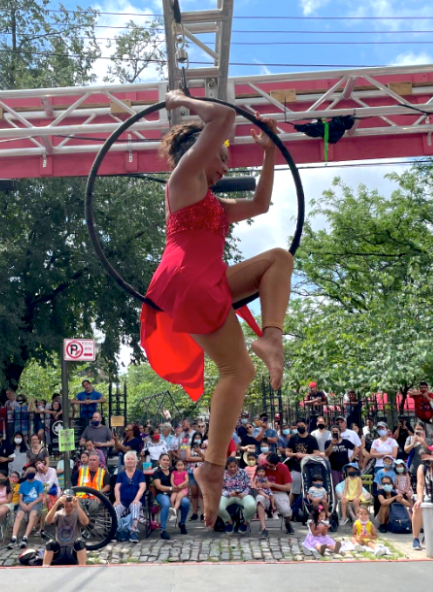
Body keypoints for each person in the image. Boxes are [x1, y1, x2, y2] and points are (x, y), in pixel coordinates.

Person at [139, 92, 291, 528]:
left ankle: (271, 336)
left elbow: (261, 204)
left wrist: (268, 153)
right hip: (187, 281)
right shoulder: (183, 182)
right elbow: (222, 116)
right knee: (237, 371)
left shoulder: (216, 207)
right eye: (221, 158)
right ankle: (212, 467)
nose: (225, 167)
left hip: (208, 279)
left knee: (279, 258)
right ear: (198, 153)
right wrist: (178, 98)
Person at [43, 491, 89, 566]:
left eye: (70, 500)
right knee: (50, 543)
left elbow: (86, 522)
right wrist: (57, 503)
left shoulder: (77, 513)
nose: (68, 504)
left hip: (72, 551)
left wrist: (77, 506)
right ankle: (44, 567)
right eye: (66, 501)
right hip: (59, 551)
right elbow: (47, 520)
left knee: (80, 542)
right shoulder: (59, 514)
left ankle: (82, 566)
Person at [152, 453, 190, 539]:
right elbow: (159, 487)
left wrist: (182, 486)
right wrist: (171, 488)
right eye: (164, 460)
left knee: (186, 502)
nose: (166, 462)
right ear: (159, 461)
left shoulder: (174, 470)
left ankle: (182, 523)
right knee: (166, 504)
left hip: (176, 493)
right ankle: (163, 529)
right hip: (161, 494)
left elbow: (184, 480)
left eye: (167, 460)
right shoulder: (157, 472)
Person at [113, 451, 147, 543]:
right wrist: (118, 500)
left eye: (132, 459)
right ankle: (120, 530)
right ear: (125, 461)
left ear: (135, 461)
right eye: (128, 459)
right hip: (123, 501)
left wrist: (136, 499)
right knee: (116, 507)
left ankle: (133, 531)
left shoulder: (139, 473)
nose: (130, 461)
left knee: (135, 505)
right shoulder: (121, 474)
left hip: (136, 500)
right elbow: (117, 488)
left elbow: (142, 487)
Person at [285, 419, 321, 502]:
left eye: (302, 426)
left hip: (309, 468)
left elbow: (317, 453)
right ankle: (289, 511)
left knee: (309, 491)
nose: (300, 428)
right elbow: (287, 452)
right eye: (298, 426)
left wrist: (305, 456)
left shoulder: (312, 439)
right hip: (296, 468)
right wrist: (295, 454)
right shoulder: (293, 438)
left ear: (306, 426)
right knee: (293, 491)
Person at [9, 466, 45, 548]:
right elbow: (20, 499)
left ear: (35, 473)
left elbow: (40, 497)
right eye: (29, 471)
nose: (30, 472)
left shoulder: (38, 483)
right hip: (24, 503)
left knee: (32, 515)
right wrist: (22, 504)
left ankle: (25, 537)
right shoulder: (22, 485)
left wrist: (31, 504)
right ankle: (13, 538)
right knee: (19, 516)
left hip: (35, 503)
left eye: (32, 471)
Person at [218, 456, 256, 533]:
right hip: (229, 494)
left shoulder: (243, 472)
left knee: (252, 505)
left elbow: (248, 486)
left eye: (234, 466)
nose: (233, 469)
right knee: (218, 506)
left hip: (242, 494)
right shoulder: (223, 474)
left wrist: (244, 493)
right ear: (227, 466)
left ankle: (245, 523)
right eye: (230, 467)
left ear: (237, 465)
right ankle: (229, 522)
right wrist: (228, 493)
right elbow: (220, 488)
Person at [251, 465, 274, 539]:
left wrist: (266, 485)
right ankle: (264, 528)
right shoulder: (256, 478)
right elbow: (253, 484)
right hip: (259, 491)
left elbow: (268, 484)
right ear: (257, 472)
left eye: (263, 471)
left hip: (266, 490)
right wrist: (256, 487)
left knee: (271, 495)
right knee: (260, 493)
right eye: (260, 471)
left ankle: (273, 506)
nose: (261, 473)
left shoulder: (265, 478)